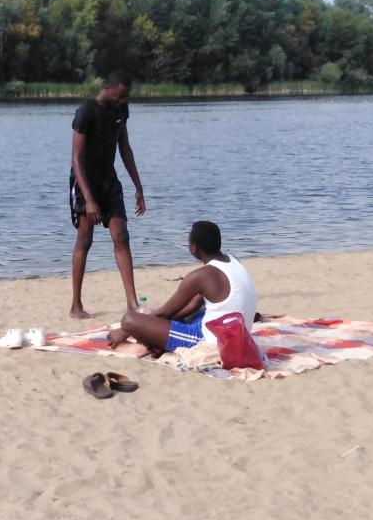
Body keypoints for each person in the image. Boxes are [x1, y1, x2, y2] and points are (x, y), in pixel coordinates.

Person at [108, 221, 258, 351]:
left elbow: (164, 313)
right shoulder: (233, 260)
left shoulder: (201, 276)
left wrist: (126, 330)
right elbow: (193, 305)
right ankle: (158, 333)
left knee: (129, 320)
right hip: (238, 332)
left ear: (195, 248)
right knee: (190, 313)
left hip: (211, 340)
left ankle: (153, 337)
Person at [69, 70, 146, 319]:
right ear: (107, 87)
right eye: (119, 95)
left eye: (126, 96)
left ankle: (133, 303)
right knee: (85, 240)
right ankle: (76, 305)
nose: (122, 100)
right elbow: (76, 158)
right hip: (85, 182)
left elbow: (125, 148)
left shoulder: (121, 110)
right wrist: (89, 199)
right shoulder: (87, 112)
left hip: (109, 181)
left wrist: (138, 186)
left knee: (121, 236)